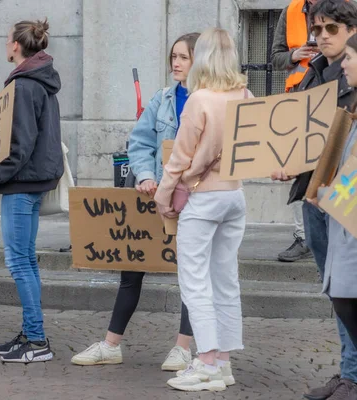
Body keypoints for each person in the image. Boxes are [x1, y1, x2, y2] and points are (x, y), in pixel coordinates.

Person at [70, 33, 200, 372]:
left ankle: (183, 348)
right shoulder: (162, 99)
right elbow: (140, 142)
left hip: (194, 202)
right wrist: (144, 175)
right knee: (131, 272)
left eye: (183, 57)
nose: (176, 62)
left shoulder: (209, 101)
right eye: (173, 56)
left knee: (191, 275)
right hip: (151, 200)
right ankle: (111, 344)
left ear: (200, 60)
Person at [155, 27, 251, 392]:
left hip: (204, 196)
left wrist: (163, 198)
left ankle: (207, 361)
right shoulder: (244, 93)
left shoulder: (199, 99)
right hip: (234, 194)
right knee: (226, 280)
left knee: (194, 282)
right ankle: (223, 362)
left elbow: (179, 160)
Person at [270, 1, 357, 398]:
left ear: (351, 30)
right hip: (316, 194)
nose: (321, 36)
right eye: (317, 29)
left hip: (346, 202)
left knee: (348, 290)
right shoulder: (314, 71)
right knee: (335, 290)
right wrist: (287, 163)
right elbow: (302, 135)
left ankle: (352, 377)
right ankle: (348, 372)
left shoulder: (353, 73)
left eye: (331, 30)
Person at [0, 18, 63, 363]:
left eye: (7, 40)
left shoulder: (23, 85)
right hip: (36, 180)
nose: (5, 45)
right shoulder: (42, 80)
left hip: (22, 184)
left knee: (19, 261)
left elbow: (20, 144)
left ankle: (36, 341)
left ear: (16, 46)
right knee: (27, 261)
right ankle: (31, 332)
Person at [304, 33, 357, 399]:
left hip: (350, 225)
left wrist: (327, 194)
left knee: (346, 297)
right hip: (344, 222)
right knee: (341, 296)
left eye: (351, 56)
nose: (345, 64)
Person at [271, 0, 320, 262]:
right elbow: (276, 58)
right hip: (298, 99)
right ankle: (303, 238)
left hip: (334, 97)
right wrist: (294, 55)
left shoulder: (347, 7)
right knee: (298, 168)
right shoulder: (290, 11)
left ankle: (335, 232)